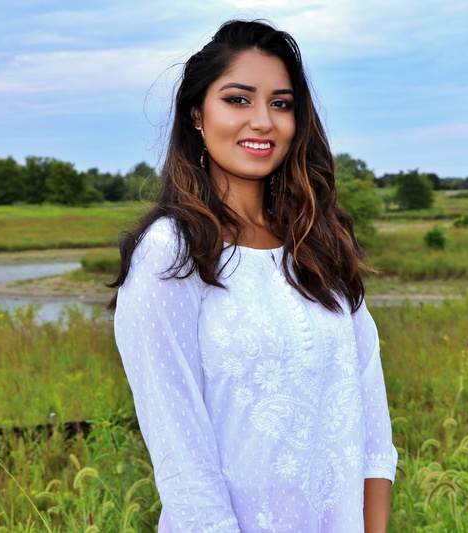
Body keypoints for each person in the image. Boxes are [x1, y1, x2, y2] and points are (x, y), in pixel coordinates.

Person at [109, 19, 397, 532]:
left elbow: (372, 430)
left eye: (281, 103)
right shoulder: (171, 253)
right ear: (197, 113)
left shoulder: (321, 248)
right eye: (238, 99)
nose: (262, 120)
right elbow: (182, 460)